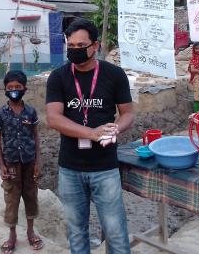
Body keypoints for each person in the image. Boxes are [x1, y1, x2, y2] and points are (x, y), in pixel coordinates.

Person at [46, 18, 135, 254]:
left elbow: (127, 113)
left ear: (95, 46)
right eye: (70, 45)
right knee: (76, 232)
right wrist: (91, 133)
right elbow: (53, 118)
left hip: (105, 168)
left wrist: (117, 127)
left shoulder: (114, 75)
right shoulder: (58, 77)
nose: (74, 50)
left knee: (115, 231)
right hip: (70, 169)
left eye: (80, 45)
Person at [0, 70, 43, 253]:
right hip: (11, 162)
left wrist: (38, 161)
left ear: (25, 89)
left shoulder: (30, 112)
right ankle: (12, 234)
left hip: (29, 162)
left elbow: (36, 137)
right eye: (10, 87)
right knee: (12, 199)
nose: (14, 90)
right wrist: (1, 164)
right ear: (5, 89)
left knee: (31, 195)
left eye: (18, 87)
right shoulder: (1, 113)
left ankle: (30, 232)